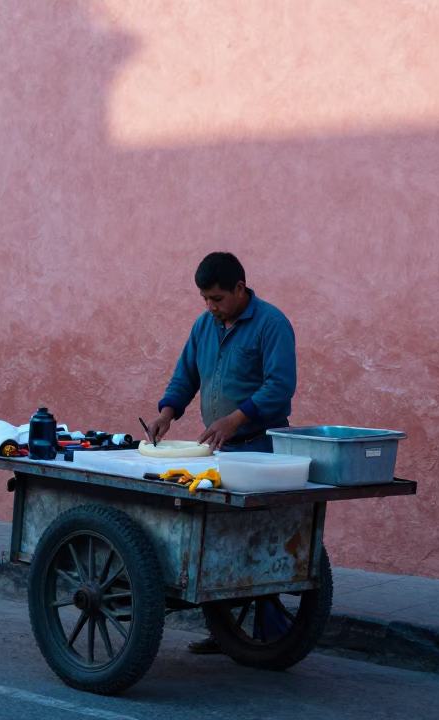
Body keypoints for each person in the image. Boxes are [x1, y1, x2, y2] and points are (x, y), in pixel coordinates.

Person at [146, 251, 297, 654]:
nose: (211, 307)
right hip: (220, 453)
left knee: (257, 538)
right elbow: (186, 376)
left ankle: (266, 629)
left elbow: (279, 387)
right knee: (221, 537)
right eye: (205, 300)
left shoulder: (272, 324)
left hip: (261, 448)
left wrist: (234, 419)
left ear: (240, 289)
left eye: (217, 299)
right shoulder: (203, 326)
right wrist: (167, 413)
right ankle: (226, 629)